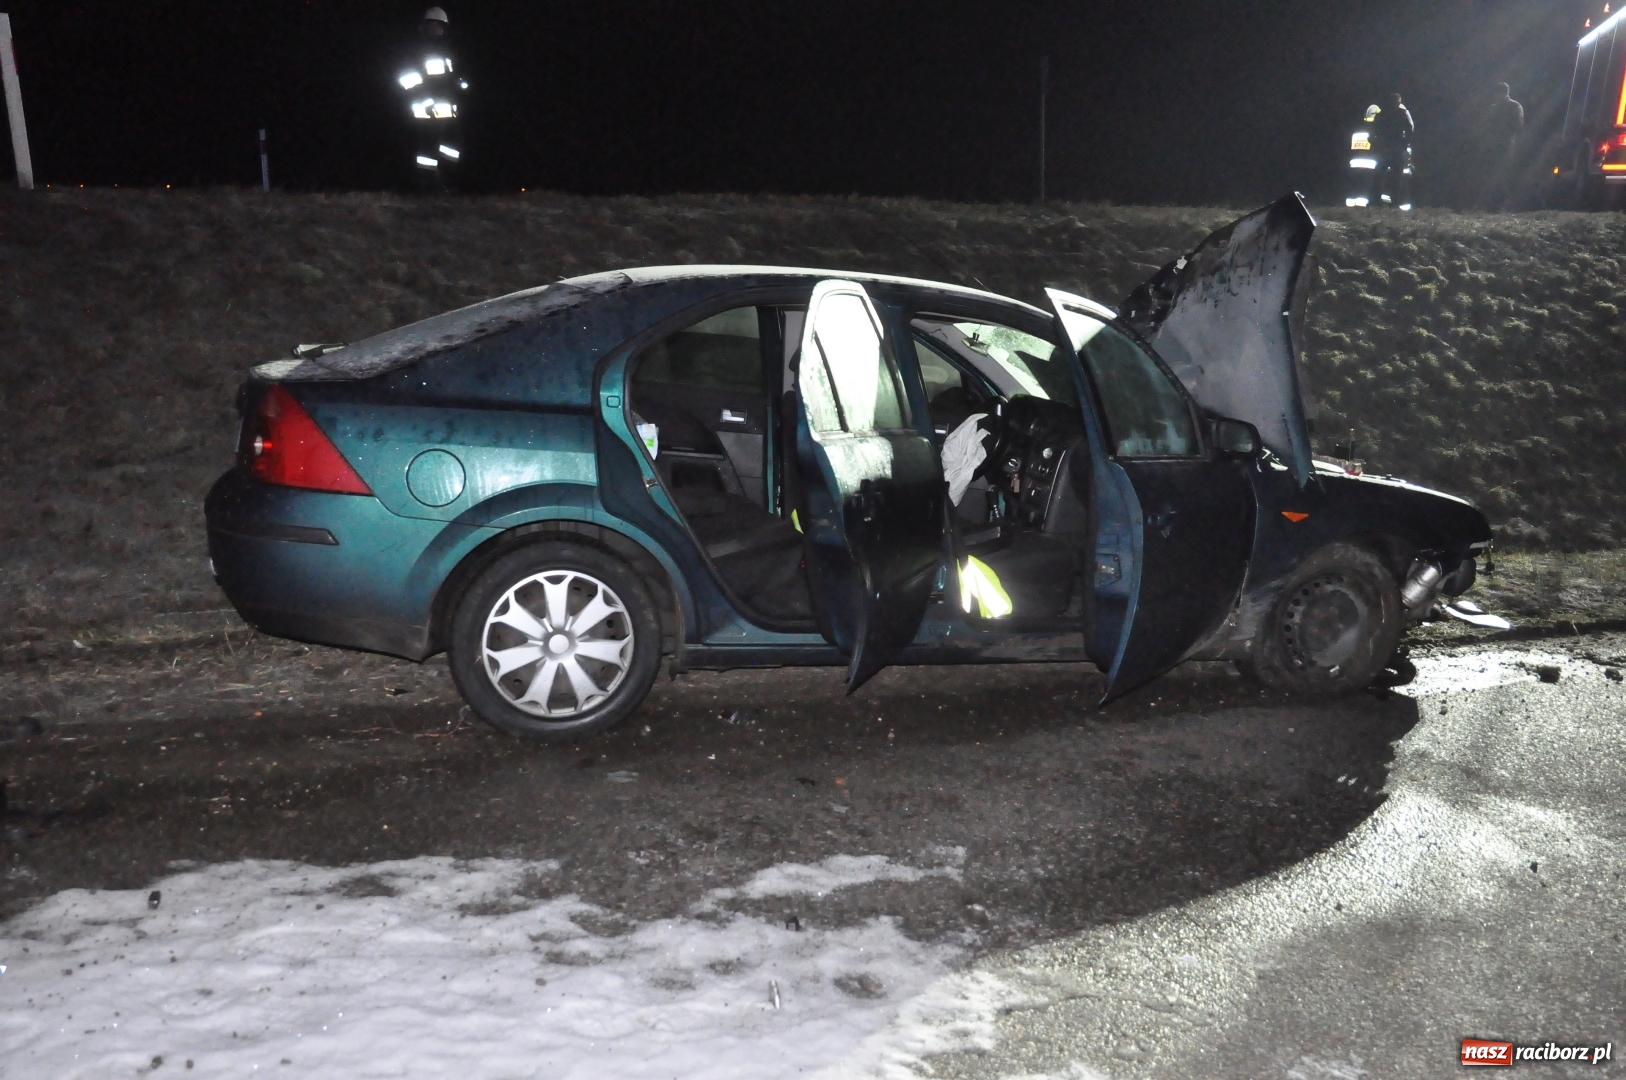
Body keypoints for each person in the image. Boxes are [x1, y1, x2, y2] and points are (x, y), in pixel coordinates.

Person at [396, 7, 466, 190]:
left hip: (446, 111)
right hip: (425, 111)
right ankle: (427, 186)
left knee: (450, 148)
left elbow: (447, 80)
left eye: (440, 25)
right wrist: (426, 101)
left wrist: (460, 87)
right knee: (427, 150)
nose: (437, 29)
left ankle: (447, 182)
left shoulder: (445, 50)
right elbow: (407, 78)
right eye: (433, 25)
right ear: (425, 27)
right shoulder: (416, 50)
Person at [1369, 92, 1415, 210]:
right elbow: (1410, 129)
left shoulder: (1382, 114)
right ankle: (1392, 203)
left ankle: (1377, 201)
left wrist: (1375, 143)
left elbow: (1373, 131)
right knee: (1393, 177)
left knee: (1382, 176)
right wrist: (1405, 142)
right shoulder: (1401, 113)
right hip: (1394, 149)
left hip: (1387, 149)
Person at [1485, 82, 1524, 210]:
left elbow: (1517, 126)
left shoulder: (1506, 107)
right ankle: (1499, 204)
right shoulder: (1515, 106)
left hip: (1503, 145)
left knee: (1501, 174)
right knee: (1499, 174)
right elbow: (1518, 125)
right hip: (1503, 144)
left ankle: (1502, 203)